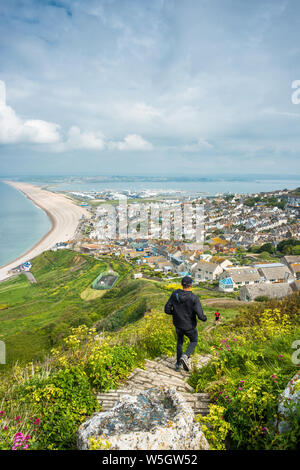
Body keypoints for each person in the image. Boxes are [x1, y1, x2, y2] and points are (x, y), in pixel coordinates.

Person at [164, 276, 207, 372]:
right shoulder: (194, 298)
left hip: (178, 324)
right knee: (194, 341)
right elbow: (200, 316)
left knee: (179, 342)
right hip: (189, 326)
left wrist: (175, 314)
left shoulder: (175, 294)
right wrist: (204, 318)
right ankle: (185, 356)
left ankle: (178, 365)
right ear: (191, 285)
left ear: (181, 284)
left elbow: (166, 309)